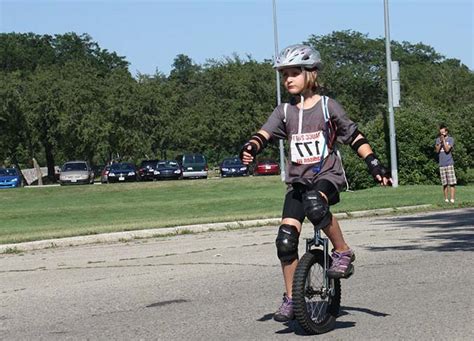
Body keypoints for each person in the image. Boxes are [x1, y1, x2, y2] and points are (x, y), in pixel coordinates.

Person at [239, 44, 392, 322]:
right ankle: (290, 297)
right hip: (298, 181)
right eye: (285, 74)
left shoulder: (327, 106)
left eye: (294, 73)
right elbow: (263, 133)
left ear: (311, 73)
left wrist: (374, 164)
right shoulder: (284, 111)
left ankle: (343, 252)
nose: (288, 79)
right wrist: (251, 146)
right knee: (285, 241)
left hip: (326, 177)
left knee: (315, 204)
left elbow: (354, 136)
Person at [435, 124, 456, 203]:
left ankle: (452, 199)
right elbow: (437, 151)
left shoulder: (450, 139)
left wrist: (444, 141)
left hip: (449, 163)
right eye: (441, 132)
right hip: (442, 164)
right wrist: (440, 142)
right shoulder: (437, 140)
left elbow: (447, 150)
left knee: (452, 183)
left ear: (446, 132)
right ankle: (446, 199)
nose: (442, 134)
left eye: (443, 132)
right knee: (444, 183)